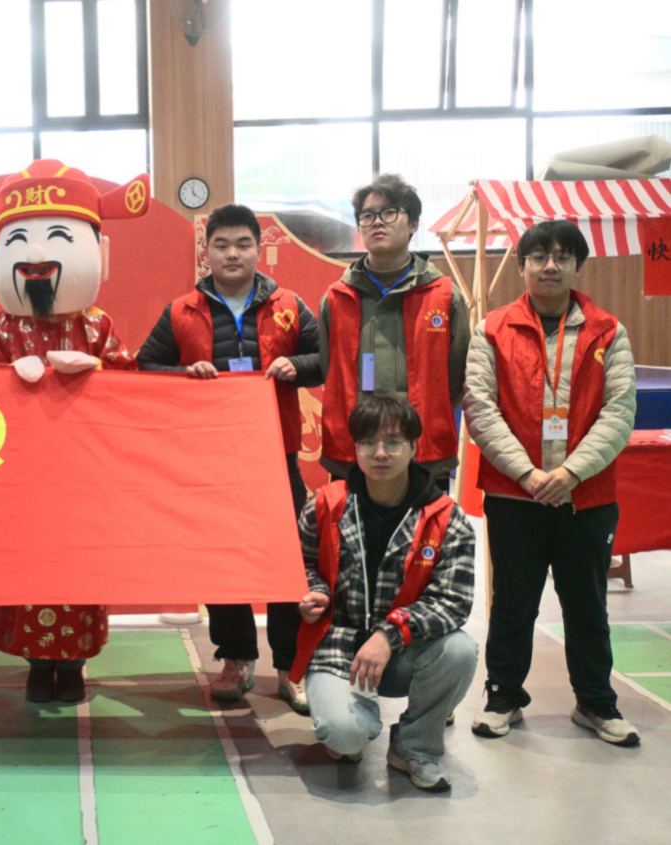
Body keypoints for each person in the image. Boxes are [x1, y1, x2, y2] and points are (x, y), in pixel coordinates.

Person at [0, 159, 150, 702]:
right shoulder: (1, 328)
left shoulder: (98, 324)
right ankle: (35, 661)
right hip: (21, 478)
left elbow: (129, 386)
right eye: (19, 242)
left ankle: (72, 664)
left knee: (78, 566)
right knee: (24, 566)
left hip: (82, 477)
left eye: (57, 238)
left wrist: (96, 370)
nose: (33, 257)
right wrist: (10, 378)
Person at [137, 203, 320, 712]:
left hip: (276, 455)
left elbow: (326, 359)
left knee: (287, 561)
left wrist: (296, 365)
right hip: (210, 461)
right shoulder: (181, 310)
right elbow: (146, 366)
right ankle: (236, 659)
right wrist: (184, 375)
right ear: (208, 252)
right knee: (222, 561)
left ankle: (290, 667)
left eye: (242, 244)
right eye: (222, 245)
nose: (232, 253)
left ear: (259, 250)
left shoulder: (289, 305)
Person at [464, 220, 639, 746]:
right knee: (513, 603)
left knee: (587, 605)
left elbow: (620, 411)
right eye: (539, 257)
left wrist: (569, 472)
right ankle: (503, 697)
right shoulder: (491, 329)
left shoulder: (609, 331)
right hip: (513, 495)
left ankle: (595, 702)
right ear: (521, 266)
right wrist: (527, 473)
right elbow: (479, 407)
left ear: (577, 266)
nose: (550, 266)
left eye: (562, 257)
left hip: (586, 495)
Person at [293, 396, 477, 792]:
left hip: (404, 651)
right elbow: (301, 564)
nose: (380, 453)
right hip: (339, 646)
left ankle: (414, 746)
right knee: (345, 737)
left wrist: (388, 634)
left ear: (413, 448)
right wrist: (314, 593)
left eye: (393, 442)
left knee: (460, 650)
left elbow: (454, 602)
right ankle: (354, 726)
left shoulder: (446, 517)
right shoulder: (325, 504)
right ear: (355, 448)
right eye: (368, 443)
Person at [319, 174, 470, 486]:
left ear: (413, 223)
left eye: (389, 213)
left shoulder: (444, 296)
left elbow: (456, 379)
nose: (377, 222)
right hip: (353, 453)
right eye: (367, 215)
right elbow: (327, 370)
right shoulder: (336, 298)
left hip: (424, 453)